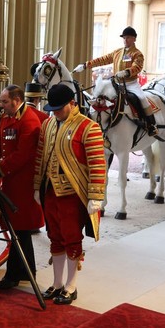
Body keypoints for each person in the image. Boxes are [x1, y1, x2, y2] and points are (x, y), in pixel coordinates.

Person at [33, 84, 107, 305]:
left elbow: (96, 164)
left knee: (72, 239)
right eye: (52, 108)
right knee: (54, 238)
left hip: (73, 194)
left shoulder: (88, 127)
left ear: (72, 104)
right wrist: (37, 186)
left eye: (59, 108)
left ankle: (71, 286)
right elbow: (40, 158)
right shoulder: (47, 125)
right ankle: (57, 284)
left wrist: (96, 195)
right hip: (50, 192)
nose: (54, 112)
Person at [0, 84, 45, 290]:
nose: (2, 105)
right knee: (18, 230)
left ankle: (15, 275)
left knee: (19, 228)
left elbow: (23, 155)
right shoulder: (8, 117)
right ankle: (24, 271)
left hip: (23, 183)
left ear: (16, 100)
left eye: (4, 102)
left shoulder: (28, 120)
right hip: (11, 182)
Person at [73, 26, 157, 136]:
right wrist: (86, 65)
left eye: (128, 38)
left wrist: (126, 72)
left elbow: (137, 67)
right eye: (124, 38)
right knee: (101, 95)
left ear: (134, 39)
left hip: (131, 84)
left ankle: (151, 125)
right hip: (117, 83)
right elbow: (103, 59)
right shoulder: (117, 52)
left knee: (142, 99)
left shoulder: (137, 54)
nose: (125, 40)